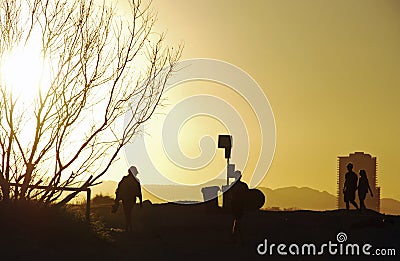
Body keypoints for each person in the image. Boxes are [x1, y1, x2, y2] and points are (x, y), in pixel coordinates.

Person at [113, 166, 143, 232]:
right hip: (131, 199)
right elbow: (139, 192)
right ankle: (129, 227)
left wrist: (117, 201)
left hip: (125, 199)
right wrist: (141, 203)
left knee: (127, 212)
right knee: (128, 212)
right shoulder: (135, 181)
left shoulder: (125, 179)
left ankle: (128, 227)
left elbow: (119, 190)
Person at [229, 171, 249, 245]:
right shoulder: (243, 186)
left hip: (236, 204)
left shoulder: (233, 185)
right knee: (238, 220)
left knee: (237, 220)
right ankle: (237, 237)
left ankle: (234, 236)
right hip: (239, 204)